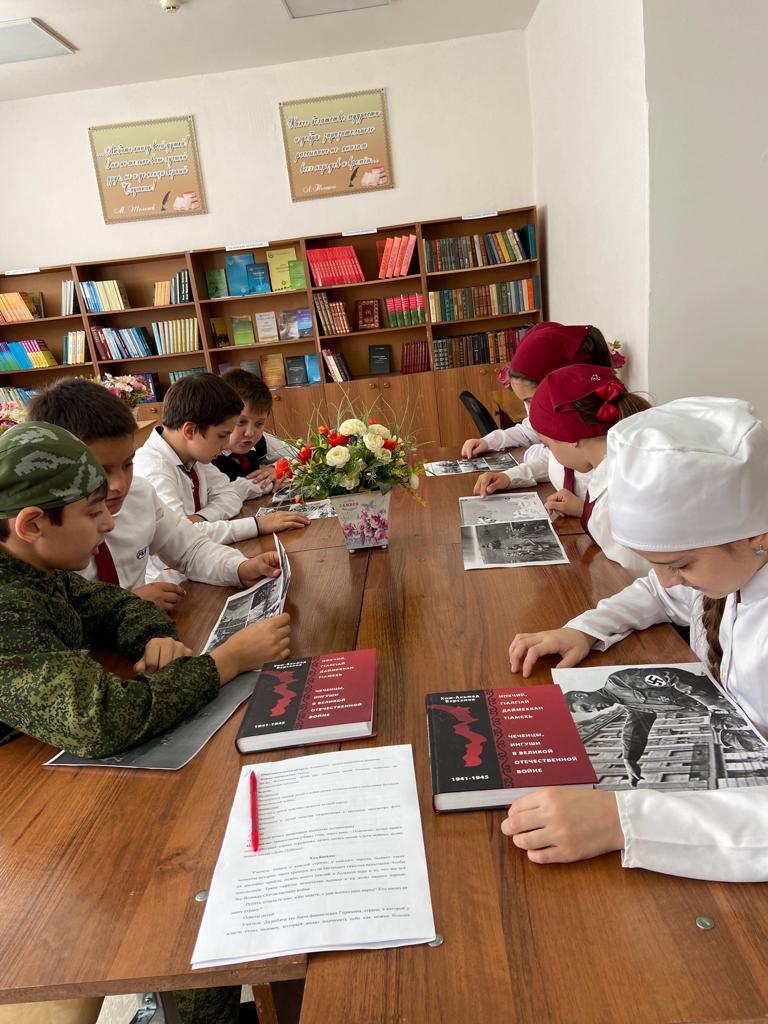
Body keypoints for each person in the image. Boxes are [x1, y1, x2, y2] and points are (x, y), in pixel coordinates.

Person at [0, 421, 290, 1023]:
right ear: (31, 523)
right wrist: (224, 663)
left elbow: (109, 606)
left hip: (36, 765)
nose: (108, 523)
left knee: (198, 849)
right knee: (177, 884)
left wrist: (153, 636)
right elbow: (99, 720)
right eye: (91, 513)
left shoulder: (29, 565)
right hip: (23, 821)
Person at [503, 396, 768, 882]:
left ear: (759, 538)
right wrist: (584, 628)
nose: (666, 579)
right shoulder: (728, 569)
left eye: (681, 564)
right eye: (658, 563)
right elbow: (658, 593)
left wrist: (622, 822)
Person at [27, 379, 291, 610]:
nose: (119, 484)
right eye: (101, 470)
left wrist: (239, 568)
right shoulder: (44, 535)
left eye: (127, 464)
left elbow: (190, 550)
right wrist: (125, 604)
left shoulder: (139, 493)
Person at [132, 375, 308, 575]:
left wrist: (200, 518)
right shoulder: (153, 467)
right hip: (168, 577)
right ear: (190, 430)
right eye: (222, 435)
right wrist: (257, 525)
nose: (225, 445)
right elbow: (184, 538)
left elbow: (231, 496)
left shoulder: (192, 452)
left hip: (203, 563)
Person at [525, 363, 651, 578]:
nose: (550, 452)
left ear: (569, 437)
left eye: (548, 445)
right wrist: (584, 509)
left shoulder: (614, 501)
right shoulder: (631, 462)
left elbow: (636, 576)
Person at [464, 322, 613, 500]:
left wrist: (584, 511)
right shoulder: (568, 442)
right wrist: (509, 477)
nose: (531, 411)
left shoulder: (602, 444)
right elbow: (554, 459)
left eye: (530, 400)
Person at [213, 367, 293, 501]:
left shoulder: (260, 441)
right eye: (241, 422)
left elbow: (299, 454)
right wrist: (266, 484)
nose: (250, 433)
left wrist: (277, 469)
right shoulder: (207, 456)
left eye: (259, 424)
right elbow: (220, 497)